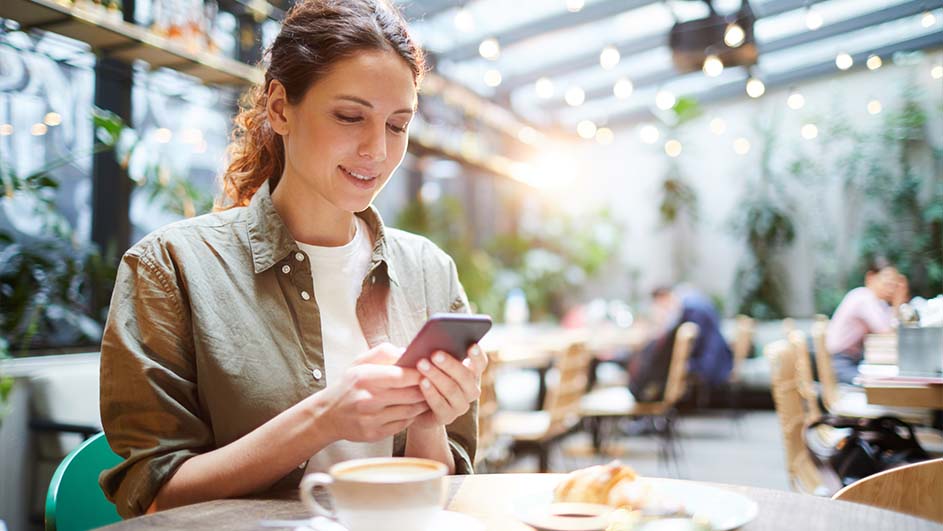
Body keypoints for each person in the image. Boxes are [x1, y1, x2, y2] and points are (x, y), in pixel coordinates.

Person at [98, 0, 487, 518]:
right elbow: (154, 500)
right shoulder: (171, 267)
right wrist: (326, 416)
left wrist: (428, 416)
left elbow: (441, 491)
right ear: (280, 109)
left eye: (397, 125)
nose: (377, 149)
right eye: (350, 116)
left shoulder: (428, 272)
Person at [628, 285, 732, 402]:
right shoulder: (691, 302)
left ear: (663, 297)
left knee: (646, 357)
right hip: (714, 359)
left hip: (709, 364)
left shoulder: (690, 309)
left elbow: (689, 349)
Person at [826, 257, 907, 384]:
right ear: (870, 277)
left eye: (894, 285)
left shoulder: (877, 303)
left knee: (883, 380)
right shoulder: (863, 297)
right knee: (876, 384)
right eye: (887, 283)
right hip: (839, 363)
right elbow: (886, 332)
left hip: (850, 360)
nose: (891, 289)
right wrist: (898, 302)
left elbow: (892, 326)